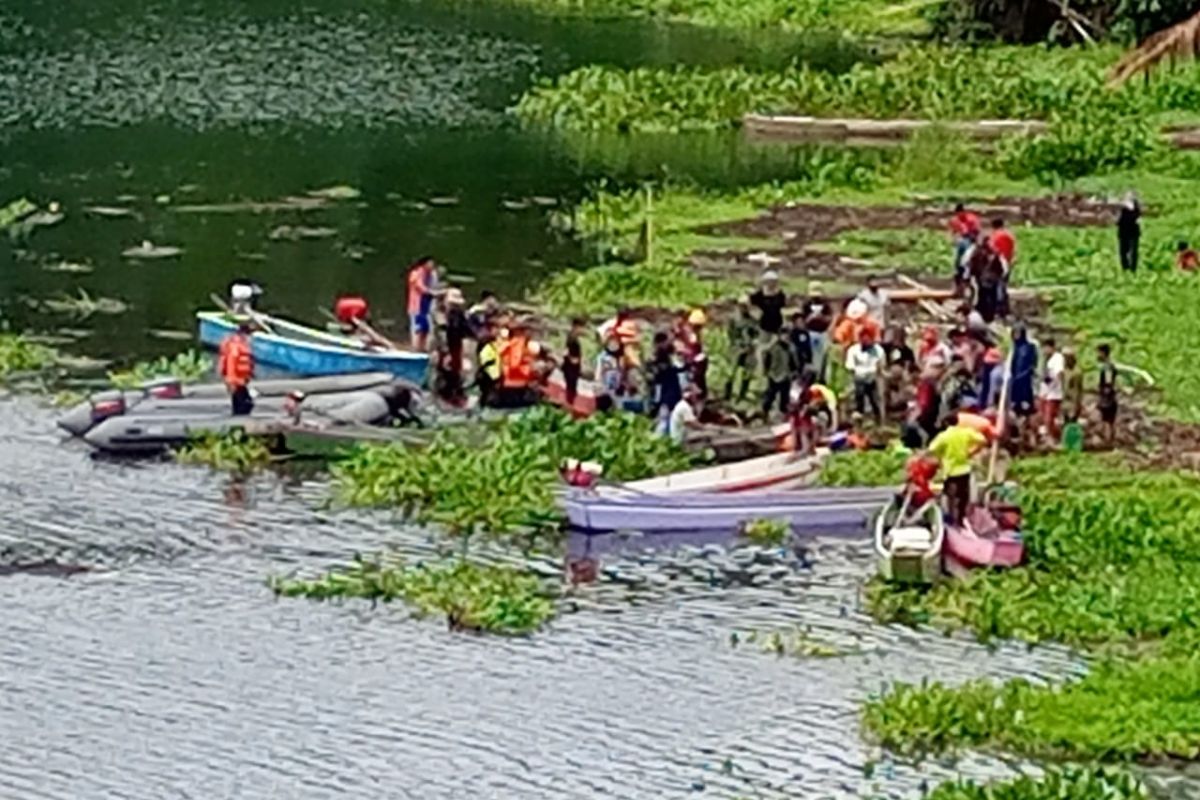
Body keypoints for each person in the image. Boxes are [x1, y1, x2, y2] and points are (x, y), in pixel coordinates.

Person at [928, 412, 988, 525]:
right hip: (965, 469)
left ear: (946, 423)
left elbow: (931, 449)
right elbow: (983, 440)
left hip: (950, 471)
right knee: (963, 496)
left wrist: (941, 455)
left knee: (950, 496)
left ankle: (951, 519)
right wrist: (972, 451)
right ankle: (961, 519)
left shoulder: (944, 436)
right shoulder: (965, 432)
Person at [437, 288, 471, 405]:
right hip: (443, 349)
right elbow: (441, 335)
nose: (454, 306)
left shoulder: (459, 314)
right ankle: (445, 396)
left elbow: (467, 331)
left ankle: (457, 395)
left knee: (457, 373)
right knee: (444, 372)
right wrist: (446, 353)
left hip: (456, 347)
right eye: (452, 303)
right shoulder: (440, 315)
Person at [648, 332, 686, 433]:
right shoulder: (657, 359)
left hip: (671, 390)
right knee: (664, 418)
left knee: (670, 419)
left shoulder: (667, 357)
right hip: (665, 393)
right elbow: (655, 379)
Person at [845, 327, 884, 423]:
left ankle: (879, 421)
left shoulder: (878, 350)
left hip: (872, 377)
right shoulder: (853, 350)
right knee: (859, 400)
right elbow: (850, 367)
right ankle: (859, 422)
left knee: (875, 401)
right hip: (859, 378)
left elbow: (881, 366)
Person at [218, 321, 255, 415]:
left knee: (243, 404)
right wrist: (231, 381)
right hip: (236, 381)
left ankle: (238, 419)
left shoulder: (242, 345)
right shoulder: (235, 345)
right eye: (249, 334)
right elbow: (231, 364)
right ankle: (238, 422)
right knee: (245, 404)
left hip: (241, 380)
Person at [1009, 324, 1039, 443]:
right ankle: (1020, 433)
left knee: (1027, 409)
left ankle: (1029, 434)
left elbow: (1031, 365)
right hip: (1016, 384)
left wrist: (1022, 376)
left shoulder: (1030, 347)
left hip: (1025, 383)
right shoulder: (1015, 348)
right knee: (1017, 409)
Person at [761, 329, 797, 419]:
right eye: (784, 336)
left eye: (787, 336)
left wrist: (794, 371)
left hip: (786, 375)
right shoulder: (774, 348)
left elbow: (793, 361)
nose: (785, 338)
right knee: (771, 395)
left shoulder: (790, 348)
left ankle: (784, 414)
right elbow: (767, 360)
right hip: (775, 375)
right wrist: (767, 371)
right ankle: (765, 412)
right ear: (779, 336)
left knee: (785, 396)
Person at [802, 283, 834, 382]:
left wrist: (822, 318)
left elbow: (830, 318)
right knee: (812, 356)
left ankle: (822, 378)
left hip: (822, 333)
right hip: (811, 333)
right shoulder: (806, 305)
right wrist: (811, 317)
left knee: (823, 356)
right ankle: (812, 378)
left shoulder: (825, 305)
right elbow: (802, 320)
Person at [407, 256, 440, 352]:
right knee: (417, 328)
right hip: (417, 306)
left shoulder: (432, 275)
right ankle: (415, 348)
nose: (432, 266)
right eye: (430, 263)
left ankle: (424, 347)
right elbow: (420, 288)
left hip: (428, 306)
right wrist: (433, 293)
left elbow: (435, 286)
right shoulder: (415, 274)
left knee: (427, 328)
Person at [1038, 337, 1065, 444]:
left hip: (1054, 393)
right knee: (1044, 417)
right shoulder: (1045, 358)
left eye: (1045, 348)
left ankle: (1052, 438)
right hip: (1045, 392)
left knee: (1049, 417)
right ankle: (1050, 436)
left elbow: (1059, 374)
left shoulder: (1057, 358)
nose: (1044, 351)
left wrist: (1057, 384)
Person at [949, 202, 981, 288]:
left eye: (960, 213)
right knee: (957, 260)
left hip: (970, 241)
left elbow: (976, 232)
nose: (959, 215)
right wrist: (954, 239)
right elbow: (953, 232)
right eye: (957, 214)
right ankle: (958, 276)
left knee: (966, 259)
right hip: (960, 241)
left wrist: (969, 236)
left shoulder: (972, 219)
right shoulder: (955, 220)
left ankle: (966, 275)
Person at [679, 308, 709, 398]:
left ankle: (698, 394)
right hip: (693, 360)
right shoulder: (688, 332)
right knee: (694, 379)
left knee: (697, 379)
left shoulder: (695, 334)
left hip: (696, 360)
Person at [750, 270, 787, 335]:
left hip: (777, 323)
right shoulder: (759, 294)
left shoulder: (780, 294)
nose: (772, 283)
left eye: (773, 281)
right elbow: (752, 306)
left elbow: (783, 307)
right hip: (763, 324)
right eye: (770, 281)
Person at [1096, 343, 1119, 447]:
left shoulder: (1107, 367)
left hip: (1108, 399)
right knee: (1107, 420)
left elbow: (1108, 383)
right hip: (1108, 397)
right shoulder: (1107, 366)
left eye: (1099, 352)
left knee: (1107, 420)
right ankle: (1108, 440)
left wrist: (1105, 393)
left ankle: (1108, 441)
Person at [563, 317, 585, 407]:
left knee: (571, 388)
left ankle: (570, 404)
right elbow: (568, 352)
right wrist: (573, 360)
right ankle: (570, 406)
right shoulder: (572, 338)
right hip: (571, 366)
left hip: (570, 365)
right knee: (571, 388)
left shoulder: (571, 336)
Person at [1117, 191, 1141, 273]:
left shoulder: (1135, 208)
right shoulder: (1123, 208)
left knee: (1132, 251)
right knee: (1123, 251)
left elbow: (1136, 218)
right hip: (1124, 232)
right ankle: (1126, 267)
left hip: (1132, 232)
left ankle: (1132, 268)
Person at [475, 330, 501, 407]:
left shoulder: (490, 347)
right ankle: (483, 403)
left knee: (488, 389)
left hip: (491, 372)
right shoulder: (486, 348)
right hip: (488, 373)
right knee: (487, 389)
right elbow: (484, 361)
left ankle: (484, 402)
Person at [788, 311, 813, 378]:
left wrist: (809, 362)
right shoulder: (793, 334)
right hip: (797, 364)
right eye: (798, 322)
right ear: (795, 324)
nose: (801, 324)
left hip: (806, 364)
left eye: (802, 322)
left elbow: (808, 349)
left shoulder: (806, 333)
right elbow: (794, 351)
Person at [1063, 348, 1083, 426]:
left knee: (1072, 423)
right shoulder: (1065, 370)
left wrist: (1077, 404)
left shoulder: (1077, 372)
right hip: (1065, 400)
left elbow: (1078, 389)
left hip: (1073, 401)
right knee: (1066, 423)